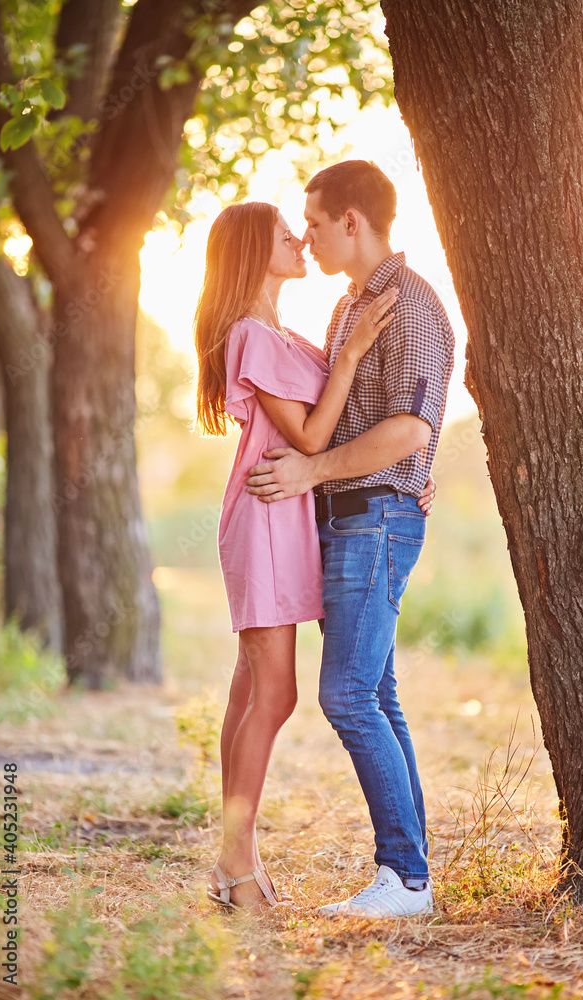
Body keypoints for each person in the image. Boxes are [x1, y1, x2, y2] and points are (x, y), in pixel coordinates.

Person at [194, 200, 430, 912]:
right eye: (283, 234)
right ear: (250, 253)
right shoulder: (250, 335)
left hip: (288, 513)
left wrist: (406, 469)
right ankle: (237, 862)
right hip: (269, 509)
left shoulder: (278, 331)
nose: (299, 239)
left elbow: (352, 423)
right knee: (274, 692)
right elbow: (309, 437)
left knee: (251, 689)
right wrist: (353, 351)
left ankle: (232, 860)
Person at [246, 160, 455, 919]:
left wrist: (313, 471)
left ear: (351, 222)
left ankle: (403, 877)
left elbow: (408, 430)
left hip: (374, 520)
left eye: (313, 221)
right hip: (351, 519)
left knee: (345, 694)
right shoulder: (348, 310)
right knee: (378, 696)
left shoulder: (412, 308)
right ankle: (412, 876)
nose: (306, 235)